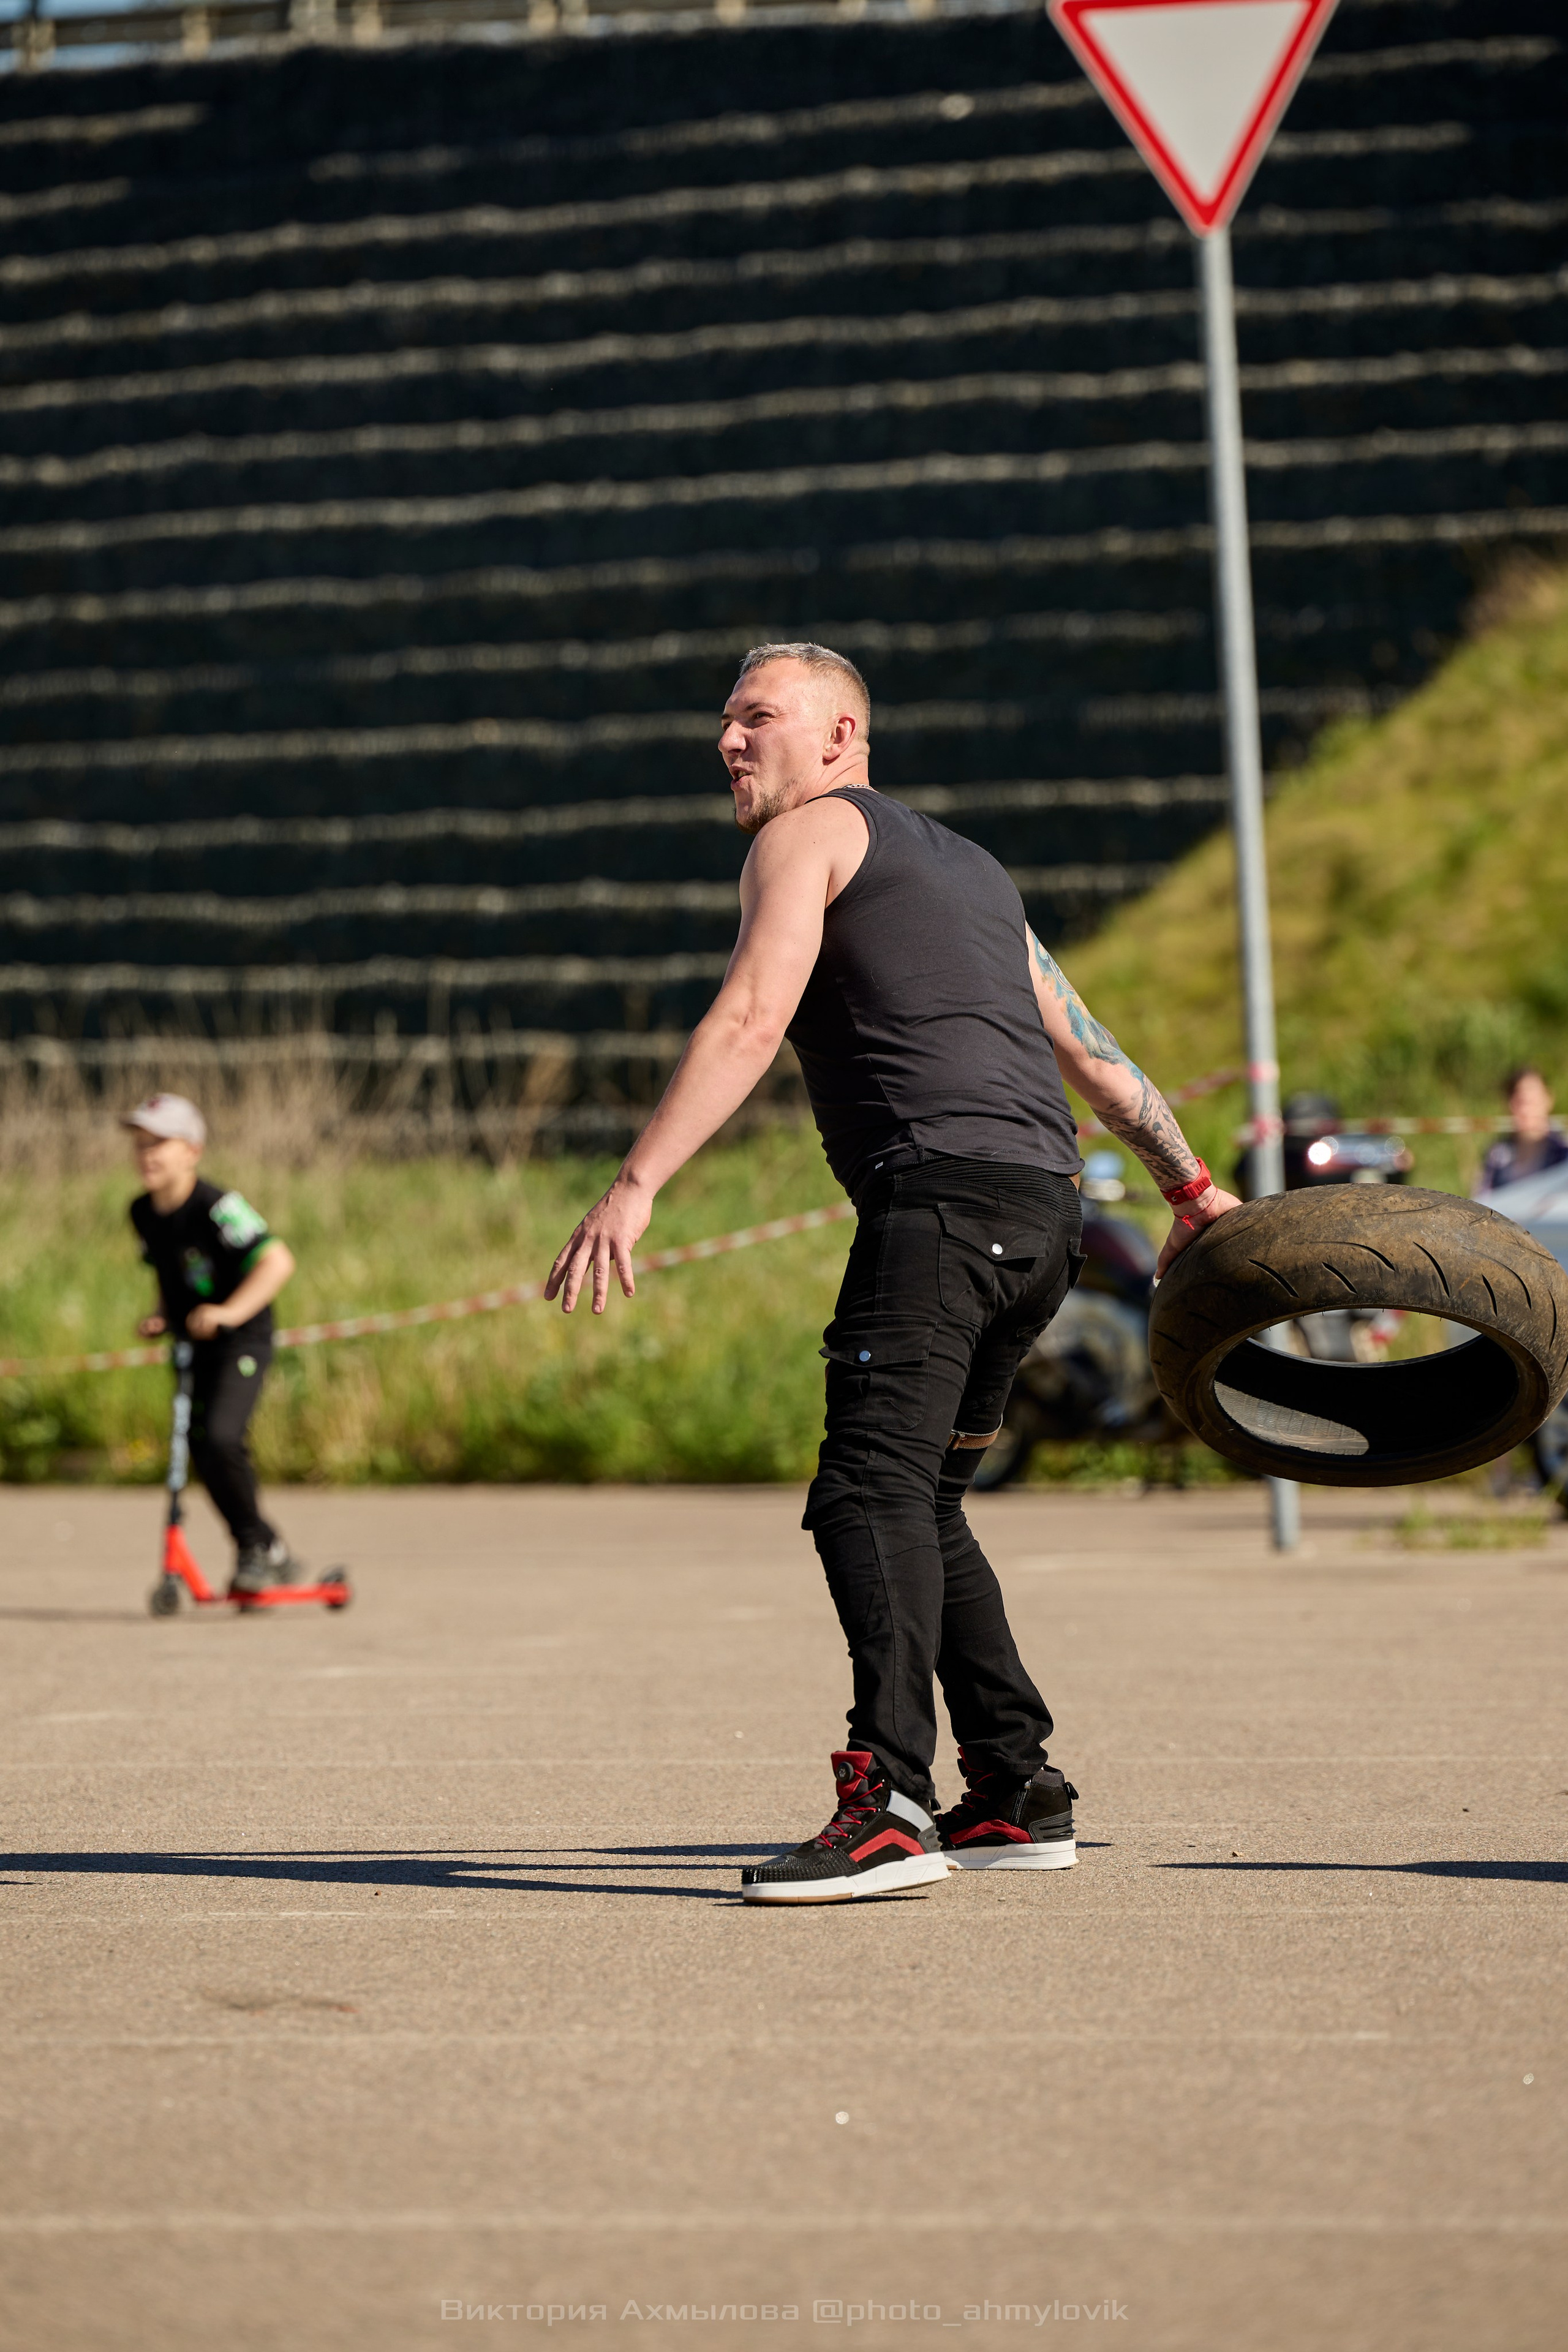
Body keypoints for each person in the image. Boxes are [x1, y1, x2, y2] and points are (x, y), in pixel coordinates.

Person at [546, 644, 1240, 1905]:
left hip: (943, 1208)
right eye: (724, 721)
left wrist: (636, 1183)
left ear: (839, 736)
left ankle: (891, 1808)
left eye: (756, 716)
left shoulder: (805, 835)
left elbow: (750, 1017)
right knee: (926, 1500)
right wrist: (1190, 1187)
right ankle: (1015, 1790)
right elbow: (1090, 1053)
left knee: (863, 1492)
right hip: (1042, 1218)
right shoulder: (973, 870)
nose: (727, 741)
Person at [124, 1093, 301, 1597]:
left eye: (159, 1144)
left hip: (241, 1340)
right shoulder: (142, 1212)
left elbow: (277, 1262)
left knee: (222, 1438)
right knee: (201, 1452)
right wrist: (163, 1314)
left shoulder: (219, 1207)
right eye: (140, 1144)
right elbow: (171, 1273)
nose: (146, 1155)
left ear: (192, 1151)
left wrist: (228, 1313)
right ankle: (266, 1547)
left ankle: (257, 1548)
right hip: (193, 1342)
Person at [1475, 1066, 1568, 1195]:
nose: (1526, 1110)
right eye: (1521, 1101)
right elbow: (1482, 1197)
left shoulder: (1564, 1150)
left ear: (1548, 1099)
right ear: (1510, 1104)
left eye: (1533, 1101)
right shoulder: (1497, 1155)